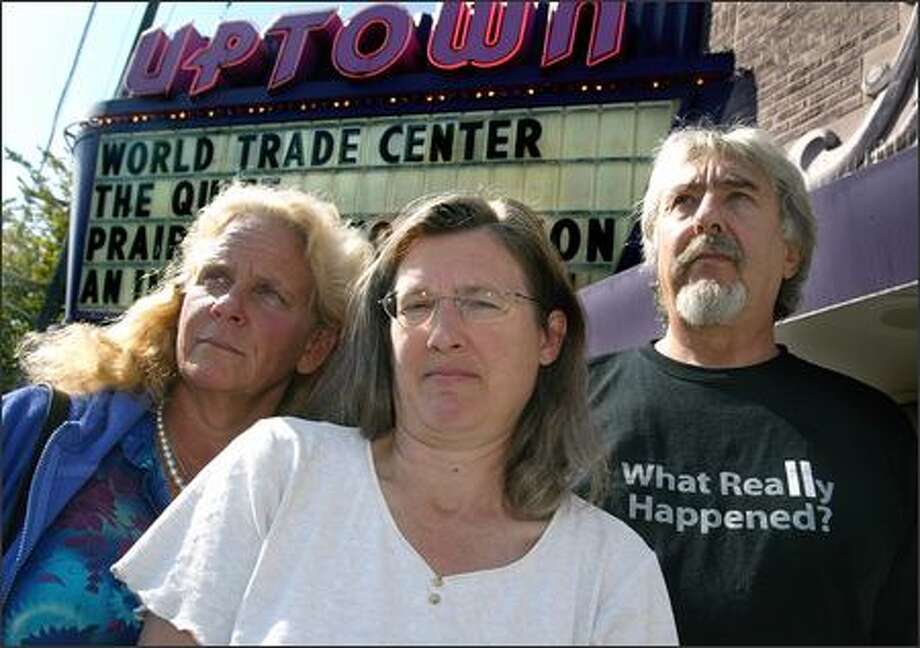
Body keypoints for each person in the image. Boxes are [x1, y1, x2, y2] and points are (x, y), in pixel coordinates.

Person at [110, 192, 679, 645]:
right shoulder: (280, 469)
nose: (443, 335)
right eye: (418, 305)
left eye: (481, 303)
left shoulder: (613, 572)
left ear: (550, 338)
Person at [588, 125, 918, 644]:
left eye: (738, 197)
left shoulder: (873, 433)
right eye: (683, 201)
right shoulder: (566, 408)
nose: (707, 218)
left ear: (790, 251)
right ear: (654, 253)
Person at [1, 182, 371, 645]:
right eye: (215, 277)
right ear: (182, 300)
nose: (228, 306)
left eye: (269, 294)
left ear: (315, 346)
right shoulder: (42, 427)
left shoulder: (325, 503)